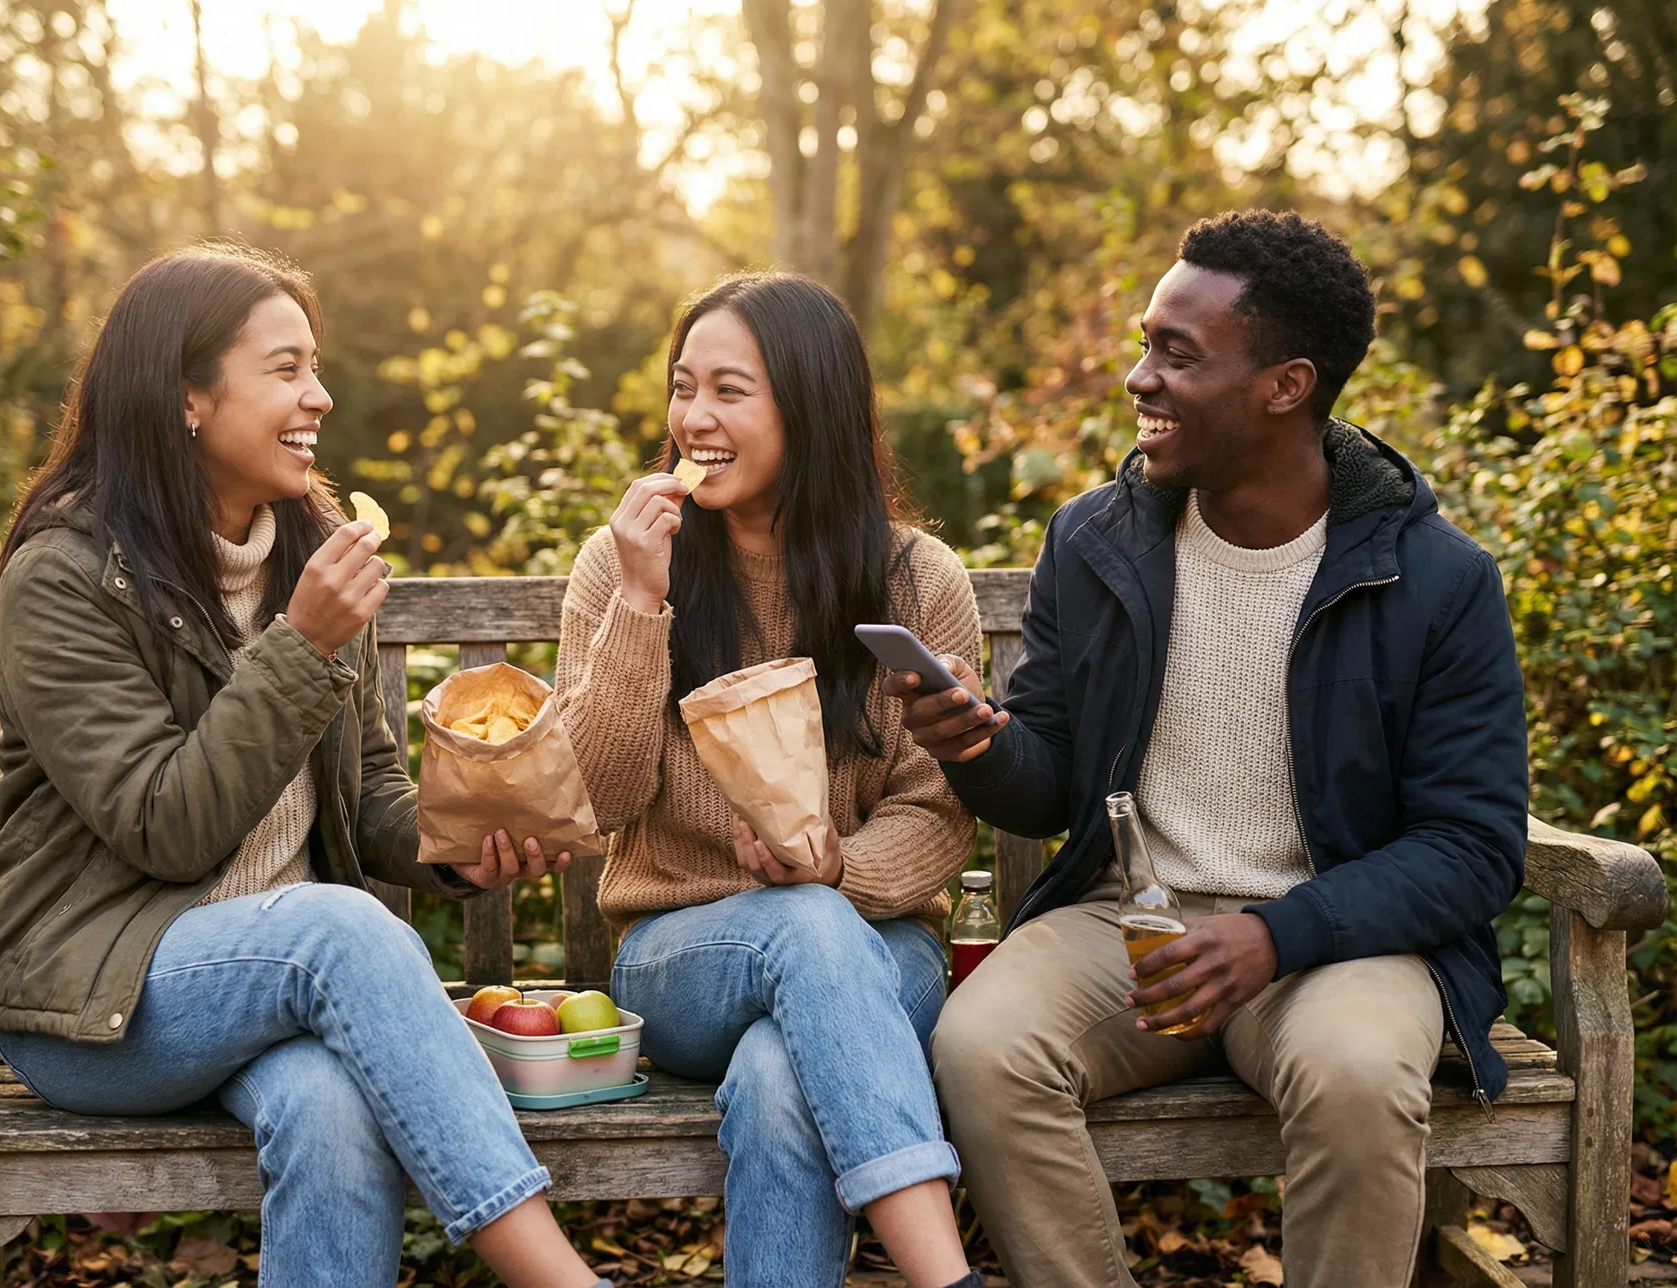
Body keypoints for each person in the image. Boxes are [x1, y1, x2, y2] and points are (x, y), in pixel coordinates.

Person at [895, 212, 1528, 1288]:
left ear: (1285, 385)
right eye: (1145, 344)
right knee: (981, 1044)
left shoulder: (1437, 579)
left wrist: (1276, 935)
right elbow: (1048, 784)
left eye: (1176, 355)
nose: (1139, 378)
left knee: (1363, 1072)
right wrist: (979, 746)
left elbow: (1473, 847)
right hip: (1128, 926)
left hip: (1336, 938)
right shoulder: (1094, 541)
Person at [0, 245, 613, 1288]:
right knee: (340, 927)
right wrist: (300, 646)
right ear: (186, 397)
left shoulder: (308, 551)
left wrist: (461, 848)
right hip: (98, 1007)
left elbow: (368, 794)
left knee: (331, 1112)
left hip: (283, 988)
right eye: (284, 369)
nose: (318, 396)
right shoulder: (66, 577)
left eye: (314, 367)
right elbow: (165, 825)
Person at [556, 272, 987, 1288]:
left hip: (881, 950)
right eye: (682, 387)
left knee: (779, 1072)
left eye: (730, 391)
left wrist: (836, 868)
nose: (694, 417)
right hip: (679, 958)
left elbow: (937, 811)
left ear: (811, 408)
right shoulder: (620, 566)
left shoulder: (917, 579)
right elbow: (590, 801)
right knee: (799, 928)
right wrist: (640, 602)